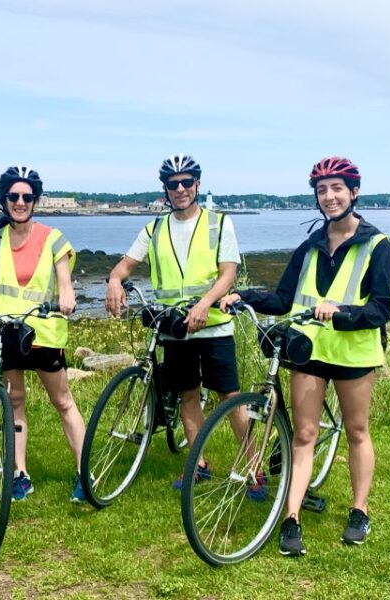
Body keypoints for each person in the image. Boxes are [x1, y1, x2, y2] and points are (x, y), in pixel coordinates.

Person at [222, 156, 390, 556]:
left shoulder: (376, 244)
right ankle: (291, 516)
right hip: (309, 350)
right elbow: (283, 299)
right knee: (304, 434)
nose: (329, 196)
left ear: (353, 192)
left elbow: (381, 309)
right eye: (321, 190)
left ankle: (359, 509)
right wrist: (243, 296)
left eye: (337, 188)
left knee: (356, 432)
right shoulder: (310, 246)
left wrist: (343, 313)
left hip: (354, 354)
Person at [106, 154, 262, 495]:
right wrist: (115, 282)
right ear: (165, 189)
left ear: (197, 185)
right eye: (173, 184)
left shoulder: (219, 223)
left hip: (214, 325)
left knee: (229, 396)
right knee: (188, 394)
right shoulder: (154, 228)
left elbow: (229, 274)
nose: (180, 189)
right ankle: (199, 464)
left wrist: (205, 302)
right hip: (175, 327)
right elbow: (125, 265)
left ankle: (253, 467)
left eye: (186, 182)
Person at [0, 166, 87, 503]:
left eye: (27, 197)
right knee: (15, 402)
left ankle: (84, 472)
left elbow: (64, 280)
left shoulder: (53, 238)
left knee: (63, 402)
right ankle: (20, 473)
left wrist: (67, 296)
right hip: (4, 332)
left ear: (35, 201)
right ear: (4, 199)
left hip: (42, 333)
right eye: (13, 196)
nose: (20, 202)